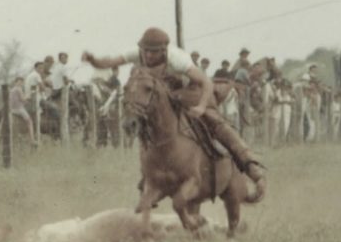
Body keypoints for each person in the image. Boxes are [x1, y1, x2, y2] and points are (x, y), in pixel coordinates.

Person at [81, 27, 266, 191]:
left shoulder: (177, 59)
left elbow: (206, 83)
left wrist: (201, 107)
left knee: (214, 120)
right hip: (165, 93)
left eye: (154, 52)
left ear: (163, 50)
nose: (148, 56)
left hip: (192, 90)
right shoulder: (137, 53)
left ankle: (250, 164)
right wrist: (93, 60)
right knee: (144, 119)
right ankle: (149, 174)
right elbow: (110, 62)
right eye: (146, 51)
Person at [7, 76, 37, 147]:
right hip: (18, 108)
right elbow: (22, 99)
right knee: (30, 121)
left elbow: (18, 100)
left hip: (12, 109)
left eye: (21, 82)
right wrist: (29, 96)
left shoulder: (12, 89)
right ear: (16, 82)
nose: (20, 83)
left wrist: (25, 101)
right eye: (19, 82)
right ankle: (32, 140)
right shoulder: (18, 89)